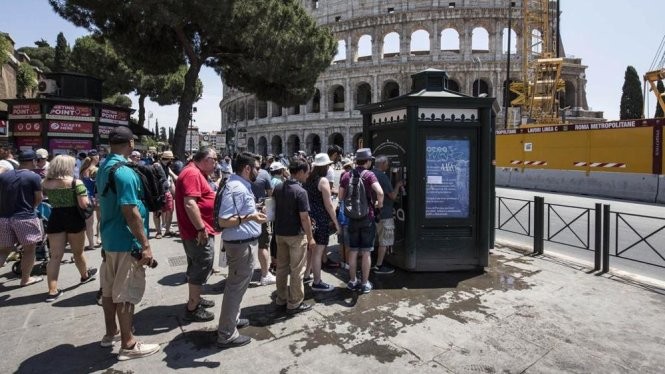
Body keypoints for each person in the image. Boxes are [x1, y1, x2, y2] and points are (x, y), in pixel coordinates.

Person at [96, 126, 159, 361]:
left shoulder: (104, 167)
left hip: (110, 239)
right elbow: (130, 211)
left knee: (110, 290)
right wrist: (145, 245)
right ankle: (128, 344)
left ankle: (110, 333)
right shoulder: (124, 172)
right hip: (126, 241)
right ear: (131, 143)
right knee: (125, 293)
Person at [216, 152, 267, 348]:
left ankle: (232, 320)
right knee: (235, 289)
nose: (258, 170)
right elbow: (223, 220)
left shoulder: (239, 185)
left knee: (237, 287)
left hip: (243, 243)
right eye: (256, 167)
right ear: (247, 168)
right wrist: (251, 217)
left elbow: (239, 211)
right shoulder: (237, 188)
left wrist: (253, 210)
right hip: (240, 245)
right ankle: (226, 333)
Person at [42, 155, 97, 302]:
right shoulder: (75, 182)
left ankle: (52, 290)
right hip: (74, 218)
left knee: (55, 257)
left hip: (55, 218)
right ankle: (84, 275)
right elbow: (84, 204)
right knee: (78, 253)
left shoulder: (46, 183)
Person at [174, 147, 219, 322]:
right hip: (197, 232)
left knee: (198, 264)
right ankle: (193, 306)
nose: (216, 162)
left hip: (197, 230)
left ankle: (197, 298)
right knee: (201, 264)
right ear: (204, 159)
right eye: (213, 159)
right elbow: (190, 204)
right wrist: (201, 228)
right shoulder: (192, 173)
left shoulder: (194, 171)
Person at [338, 148, 384, 294]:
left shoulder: (346, 175)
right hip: (367, 217)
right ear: (368, 161)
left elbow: (340, 197)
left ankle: (352, 281)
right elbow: (380, 192)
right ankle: (364, 283)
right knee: (366, 252)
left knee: (352, 251)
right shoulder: (369, 175)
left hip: (351, 218)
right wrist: (379, 205)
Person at [273, 157, 315, 313]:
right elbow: (305, 217)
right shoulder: (301, 191)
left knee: (282, 267)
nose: (308, 176)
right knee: (297, 270)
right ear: (301, 172)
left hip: (280, 233)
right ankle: (295, 302)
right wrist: (310, 237)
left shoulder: (278, 187)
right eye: (307, 172)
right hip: (296, 235)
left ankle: (281, 298)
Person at [0, 150, 45, 286]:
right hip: (25, 217)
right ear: (33, 161)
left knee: (3, 250)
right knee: (29, 249)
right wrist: (32, 207)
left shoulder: (4, 176)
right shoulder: (34, 177)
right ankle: (25, 279)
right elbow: (39, 198)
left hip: (4, 217)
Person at [303, 153, 340, 292]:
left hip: (310, 218)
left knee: (310, 250)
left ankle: (307, 275)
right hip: (321, 218)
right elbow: (329, 205)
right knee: (318, 252)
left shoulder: (308, 179)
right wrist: (335, 222)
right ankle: (317, 282)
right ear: (324, 166)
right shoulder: (323, 181)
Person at [371, 156, 404, 275]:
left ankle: (373, 262)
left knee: (375, 240)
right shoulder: (383, 176)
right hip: (384, 213)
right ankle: (379, 266)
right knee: (384, 241)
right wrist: (398, 185)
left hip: (372, 213)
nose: (389, 165)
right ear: (383, 163)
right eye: (388, 163)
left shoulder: (371, 173)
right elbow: (392, 196)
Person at [250, 155, 276, 286]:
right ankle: (265, 274)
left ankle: (243, 273)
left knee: (246, 244)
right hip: (260, 213)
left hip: (244, 215)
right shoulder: (264, 174)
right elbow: (270, 194)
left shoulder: (238, 176)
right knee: (263, 244)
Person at [154, 151, 178, 239]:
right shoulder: (157, 166)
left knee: (170, 211)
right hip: (158, 193)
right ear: (168, 159)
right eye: (171, 159)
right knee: (157, 213)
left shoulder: (167, 167)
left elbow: (174, 177)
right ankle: (158, 232)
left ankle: (167, 231)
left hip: (167, 192)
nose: (172, 161)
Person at [80, 151, 101, 250]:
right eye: (98, 156)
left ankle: (91, 243)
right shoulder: (96, 170)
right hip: (96, 197)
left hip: (85, 197)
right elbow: (99, 186)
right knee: (101, 219)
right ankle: (99, 239)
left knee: (89, 223)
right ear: (95, 158)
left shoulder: (82, 170)